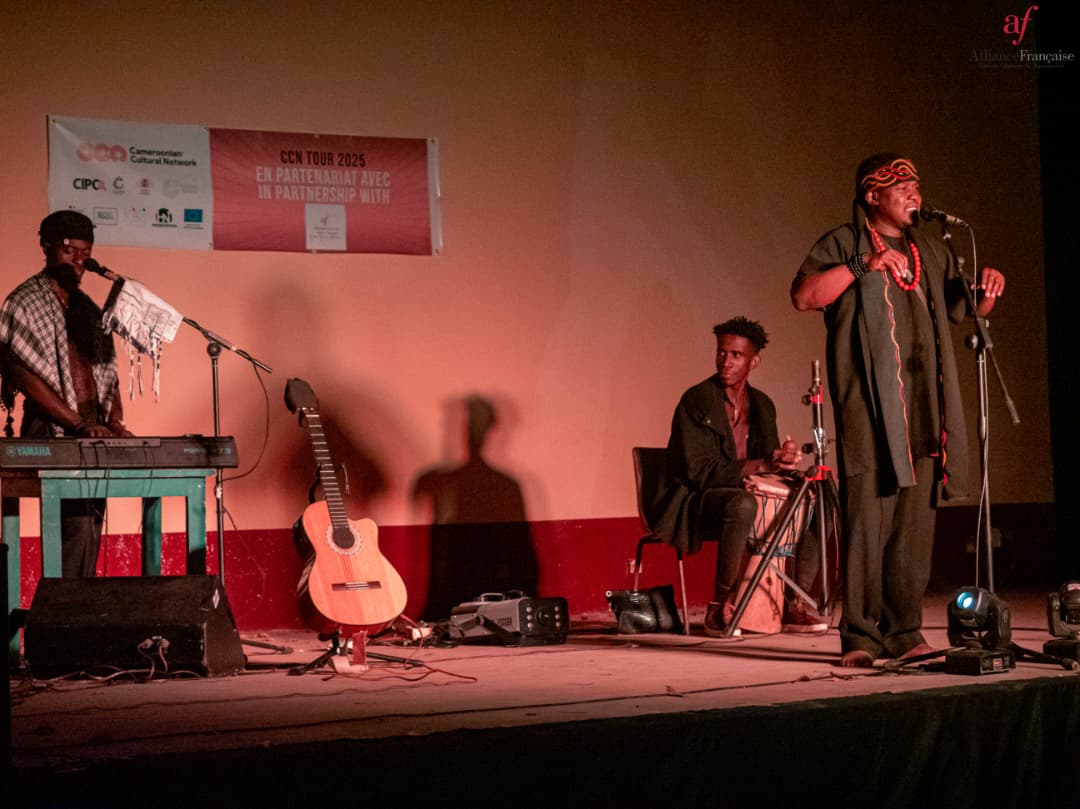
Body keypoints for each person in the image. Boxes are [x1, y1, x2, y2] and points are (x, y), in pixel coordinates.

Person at [790, 153, 1005, 667]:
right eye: (901, 186)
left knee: (913, 528)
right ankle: (861, 637)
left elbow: (963, 311)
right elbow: (804, 296)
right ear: (872, 196)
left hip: (923, 407)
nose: (914, 194)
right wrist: (863, 264)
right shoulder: (845, 242)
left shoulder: (930, 249)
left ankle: (905, 632)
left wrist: (987, 293)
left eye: (916, 186)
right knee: (868, 522)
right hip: (869, 409)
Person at [649, 316, 828, 636]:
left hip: (743, 492)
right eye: (721, 352)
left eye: (736, 355)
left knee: (818, 498)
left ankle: (794, 603)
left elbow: (768, 464)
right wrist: (762, 464)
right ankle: (720, 605)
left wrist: (783, 460)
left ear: (753, 361)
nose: (725, 361)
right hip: (695, 498)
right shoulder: (697, 400)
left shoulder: (762, 405)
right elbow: (697, 472)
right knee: (742, 504)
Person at [0, 210, 132, 577]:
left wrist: (114, 420)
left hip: (93, 429)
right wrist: (76, 424)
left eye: (85, 252)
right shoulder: (24, 301)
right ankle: (65, 607)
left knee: (89, 525)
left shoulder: (87, 308)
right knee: (75, 527)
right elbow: (21, 374)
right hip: (52, 428)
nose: (78, 260)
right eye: (69, 250)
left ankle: (77, 604)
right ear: (46, 247)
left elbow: (106, 369)